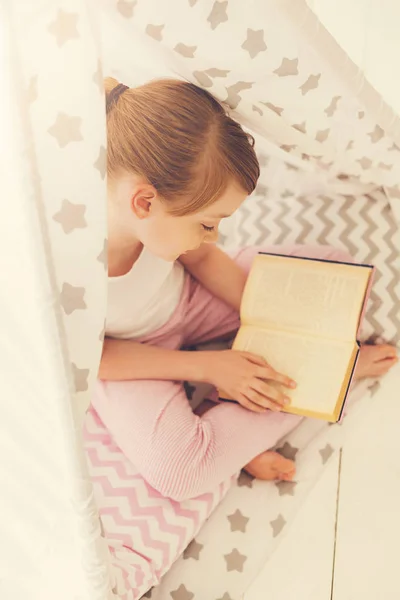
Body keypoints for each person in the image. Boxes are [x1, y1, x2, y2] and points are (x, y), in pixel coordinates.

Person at [84, 78, 398, 598]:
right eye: (208, 223)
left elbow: (203, 257)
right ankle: (312, 389)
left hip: (188, 299)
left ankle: (254, 408)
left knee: (340, 281)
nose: (213, 234)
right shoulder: (70, 261)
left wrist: (274, 317)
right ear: (143, 203)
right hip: (129, 358)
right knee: (180, 470)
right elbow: (95, 360)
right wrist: (209, 369)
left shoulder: (164, 216)